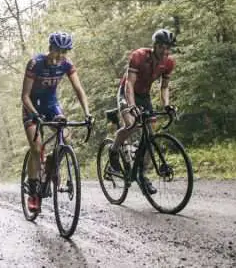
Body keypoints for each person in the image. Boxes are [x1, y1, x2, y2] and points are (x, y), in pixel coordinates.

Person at [21, 31, 92, 212]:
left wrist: (87, 113)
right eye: (57, 51)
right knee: (36, 148)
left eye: (64, 52)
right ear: (50, 48)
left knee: (66, 138)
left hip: (51, 105)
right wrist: (35, 115)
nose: (60, 56)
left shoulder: (66, 64)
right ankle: (33, 190)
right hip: (32, 107)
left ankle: (51, 167)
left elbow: (79, 89)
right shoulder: (35, 63)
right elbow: (25, 96)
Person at [106, 28, 177, 194]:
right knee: (132, 124)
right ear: (155, 46)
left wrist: (166, 105)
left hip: (144, 96)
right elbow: (129, 84)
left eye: (168, 48)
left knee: (150, 135)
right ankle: (114, 150)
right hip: (127, 92)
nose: (165, 52)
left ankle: (142, 175)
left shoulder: (169, 63)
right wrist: (131, 106)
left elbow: (164, 86)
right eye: (162, 47)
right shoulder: (139, 56)